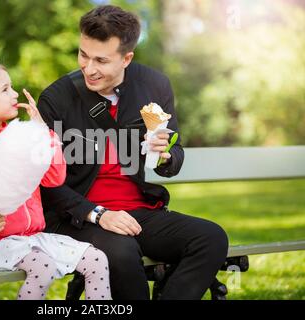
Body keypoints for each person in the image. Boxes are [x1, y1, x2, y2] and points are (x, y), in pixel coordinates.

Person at [37, 5, 229, 300]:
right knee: (121, 251)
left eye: (101, 60)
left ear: (127, 58)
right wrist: (98, 215)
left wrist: (165, 155)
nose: (89, 68)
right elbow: (46, 185)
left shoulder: (154, 85)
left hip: (138, 211)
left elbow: (174, 154)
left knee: (211, 238)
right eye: (83, 55)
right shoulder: (55, 98)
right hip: (78, 216)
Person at [0, 63, 111, 300]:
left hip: (31, 239)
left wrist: (44, 133)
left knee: (96, 259)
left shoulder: (20, 138)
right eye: (5, 89)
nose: (15, 94)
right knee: (43, 267)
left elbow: (54, 178)